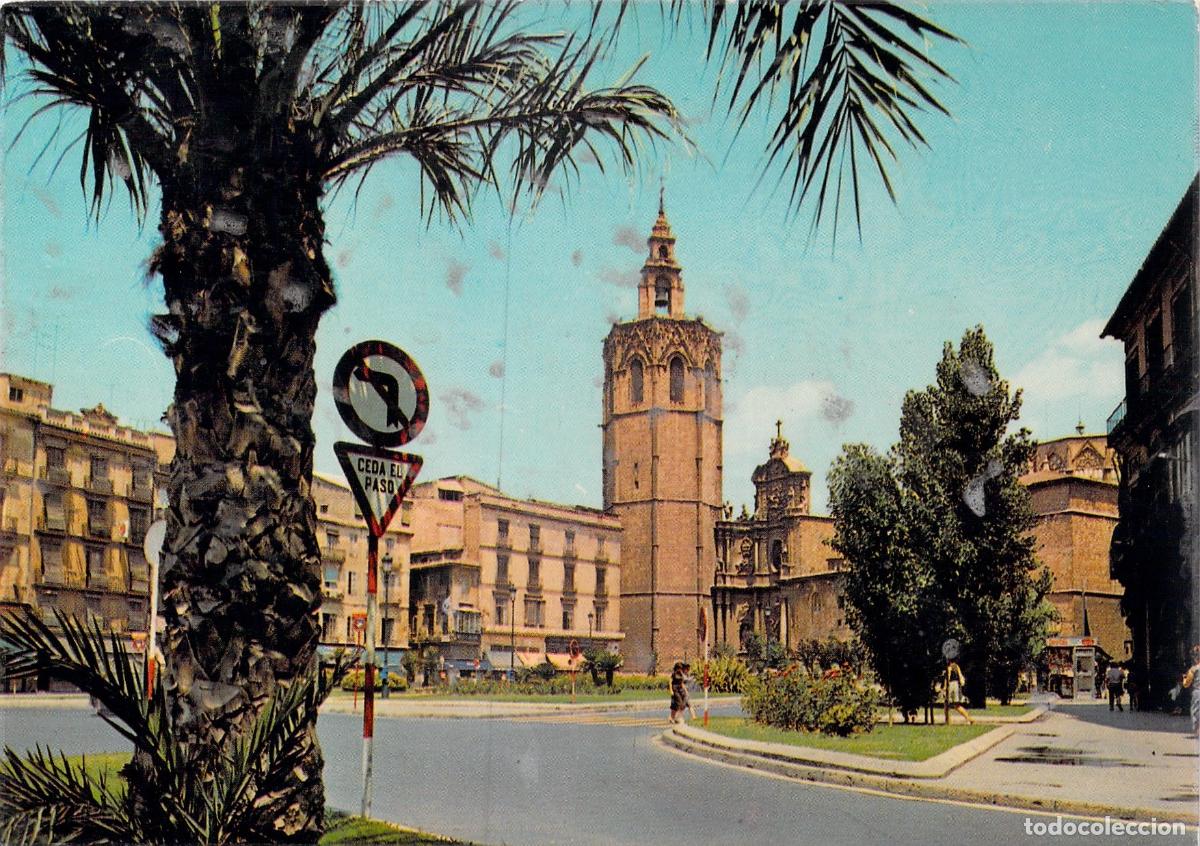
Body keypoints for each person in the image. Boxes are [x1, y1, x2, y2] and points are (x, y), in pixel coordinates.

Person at [1181, 645, 1200, 737]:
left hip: (1197, 692)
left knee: (1196, 712)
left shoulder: (1193, 669)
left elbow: (1186, 684)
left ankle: (1198, 731)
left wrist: (1184, 678)